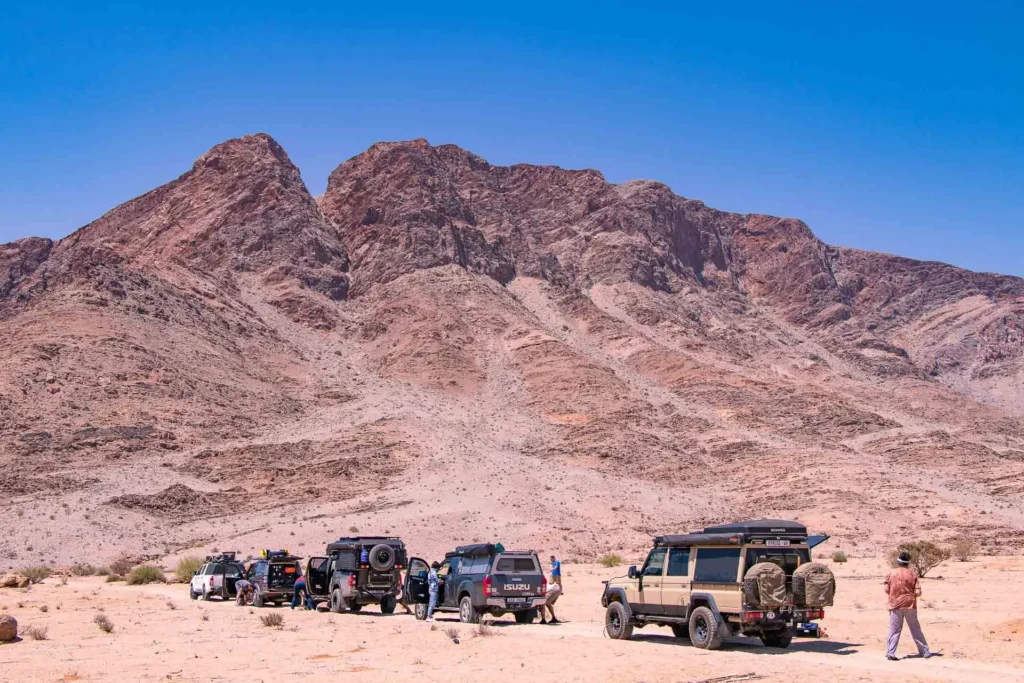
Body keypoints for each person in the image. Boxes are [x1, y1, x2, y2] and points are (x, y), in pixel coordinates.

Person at [884, 550, 936, 661]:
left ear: (898, 561)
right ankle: (925, 652)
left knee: (894, 630)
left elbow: (886, 589)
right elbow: (918, 593)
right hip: (910, 605)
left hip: (895, 605)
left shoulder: (891, 573)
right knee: (915, 629)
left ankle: (890, 653)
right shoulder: (912, 574)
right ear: (908, 563)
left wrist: (895, 595)